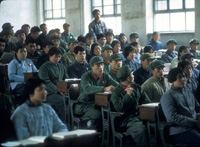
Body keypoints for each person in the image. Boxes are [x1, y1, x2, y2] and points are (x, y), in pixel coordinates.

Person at [74, 56, 118, 130]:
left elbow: (116, 84)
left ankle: (107, 136)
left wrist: (121, 88)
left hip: (99, 104)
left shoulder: (105, 75)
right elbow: (87, 89)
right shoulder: (85, 76)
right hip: (85, 105)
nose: (101, 67)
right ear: (91, 66)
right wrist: (104, 88)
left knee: (113, 111)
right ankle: (93, 135)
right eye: (98, 65)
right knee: (98, 115)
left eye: (102, 65)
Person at [111, 65, 151, 146]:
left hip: (141, 115)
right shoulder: (116, 91)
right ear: (128, 78)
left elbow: (147, 101)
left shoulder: (136, 87)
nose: (134, 76)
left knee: (157, 125)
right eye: (132, 74)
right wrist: (128, 96)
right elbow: (119, 107)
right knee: (141, 130)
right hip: (128, 119)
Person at [161, 67, 200, 146]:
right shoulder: (168, 96)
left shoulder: (188, 91)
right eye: (180, 77)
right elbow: (172, 117)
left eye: (184, 76)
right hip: (179, 130)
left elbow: (197, 108)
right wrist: (194, 123)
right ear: (172, 79)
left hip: (194, 126)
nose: (184, 79)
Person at [38, 47, 69, 123]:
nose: (57, 59)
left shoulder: (61, 66)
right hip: (47, 93)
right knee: (62, 100)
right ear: (50, 56)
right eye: (55, 56)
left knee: (70, 99)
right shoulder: (44, 67)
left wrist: (66, 90)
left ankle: (69, 121)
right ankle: (63, 122)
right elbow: (47, 83)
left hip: (60, 92)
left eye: (59, 57)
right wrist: (58, 90)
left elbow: (67, 79)